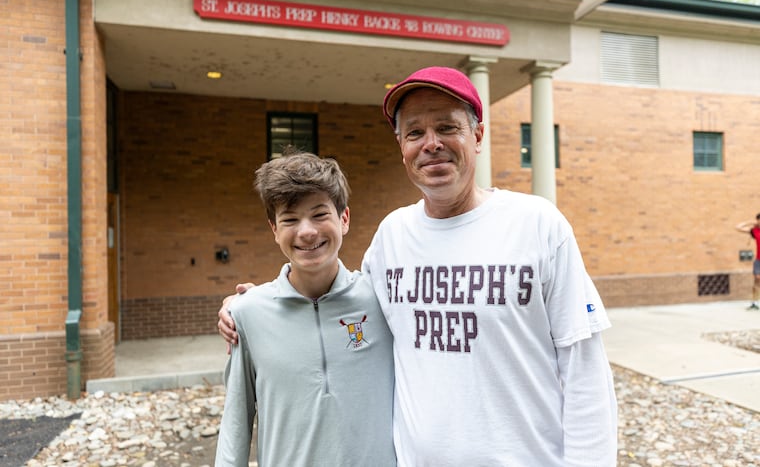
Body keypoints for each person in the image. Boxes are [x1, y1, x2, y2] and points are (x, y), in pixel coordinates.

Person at [219, 66, 618, 466]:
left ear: (477, 136)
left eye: (447, 127)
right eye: (415, 133)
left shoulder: (537, 225)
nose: (431, 144)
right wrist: (257, 304)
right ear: (402, 147)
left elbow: (584, 371)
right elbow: (340, 300)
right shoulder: (393, 237)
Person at [214, 150, 396, 467]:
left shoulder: (383, 299)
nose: (307, 231)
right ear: (274, 229)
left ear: (344, 218)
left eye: (320, 214)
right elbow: (236, 424)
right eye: (290, 219)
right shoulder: (248, 315)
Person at [735, 213, 760, 310]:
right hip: (758, 260)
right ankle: (755, 302)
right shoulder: (754, 231)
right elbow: (738, 227)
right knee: (757, 280)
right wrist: (750, 222)